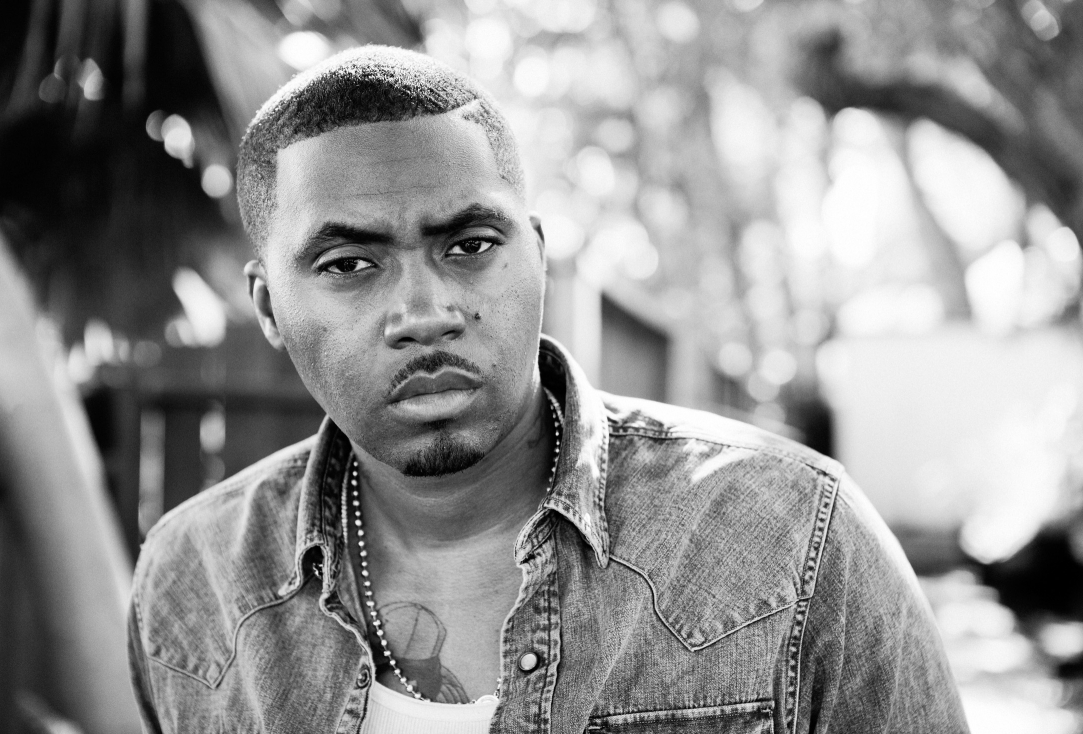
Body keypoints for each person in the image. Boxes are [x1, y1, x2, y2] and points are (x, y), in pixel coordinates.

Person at [127, 46, 969, 733]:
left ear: (537, 254)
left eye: (469, 245)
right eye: (349, 264)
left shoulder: (792, 538)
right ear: (268, 307)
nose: (425, 313)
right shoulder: (195, 582)